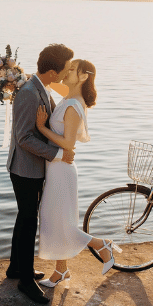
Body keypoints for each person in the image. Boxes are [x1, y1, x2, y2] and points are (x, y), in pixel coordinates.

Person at [34, 59, 119, 288]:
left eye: (71, 69)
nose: (66, 71)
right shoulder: (69, 96)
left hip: (62, 170)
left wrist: (42, 128)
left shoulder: (73, 105)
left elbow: (68, 143)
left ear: (83, 76)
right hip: (56, 168)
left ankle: (101, 244)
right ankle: (61, 271)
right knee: (56, 219)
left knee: (62, 222)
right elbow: (45, 83)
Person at [5, 43, 74, 304]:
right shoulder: (30, 93)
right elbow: (23, 138)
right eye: (66, 69)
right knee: (28, 220)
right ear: (53, 73)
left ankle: (16, 267)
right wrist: (57, 154)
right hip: (25, 169)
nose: (68, 73)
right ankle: (25, 281)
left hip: (31, 167)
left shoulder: (40, 87)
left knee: (25, 218)